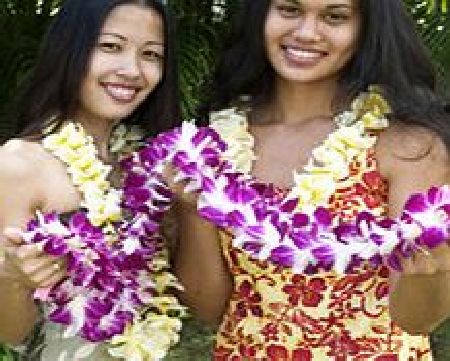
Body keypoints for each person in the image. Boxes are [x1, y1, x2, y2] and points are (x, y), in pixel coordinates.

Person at [172, 0, 450, 359]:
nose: (305, 32)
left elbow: (417, 321)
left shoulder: (406, 145)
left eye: (334, 17)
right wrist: (191, 209)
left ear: (365, 29)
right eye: (289, 9)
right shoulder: (218, 142)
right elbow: (210, 311)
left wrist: (431, 270)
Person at [0, 0, 179, 359]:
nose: (132, 70)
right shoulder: (19, 163)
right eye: (110, 46)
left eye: (151, 54)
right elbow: (12, 334)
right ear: (71, 50)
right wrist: (14, 280)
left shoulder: (149, 167)